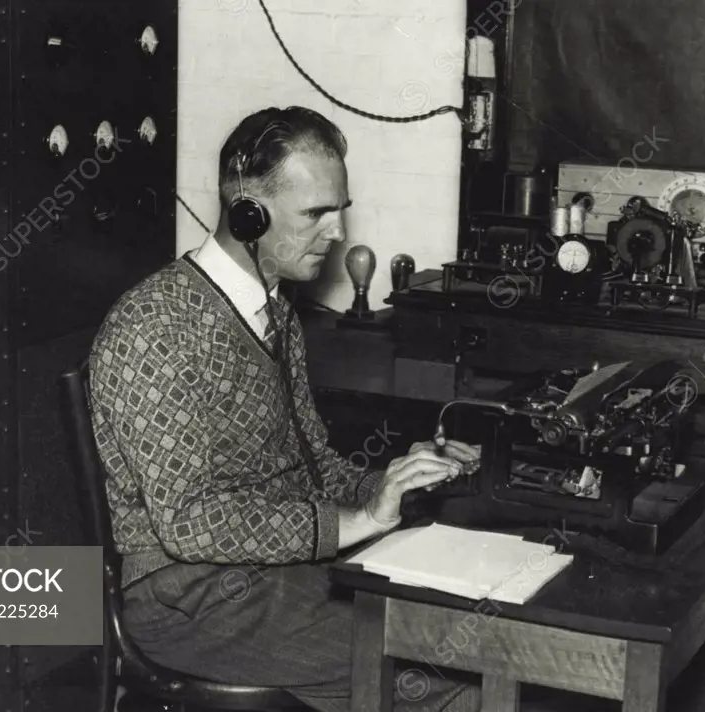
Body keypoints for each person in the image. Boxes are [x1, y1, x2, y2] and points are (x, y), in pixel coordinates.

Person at [88, 106, 482, 712]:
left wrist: (398, 481)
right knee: (443, 665)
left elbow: (314, 466)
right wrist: (356, 524)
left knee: (465, 629)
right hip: (186, 597)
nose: (337, 232)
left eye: (339, 210)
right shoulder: (154, 325)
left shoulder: (276, 313)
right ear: (248, 212)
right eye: (317, 213)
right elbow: (189, 521)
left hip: (276, 572)